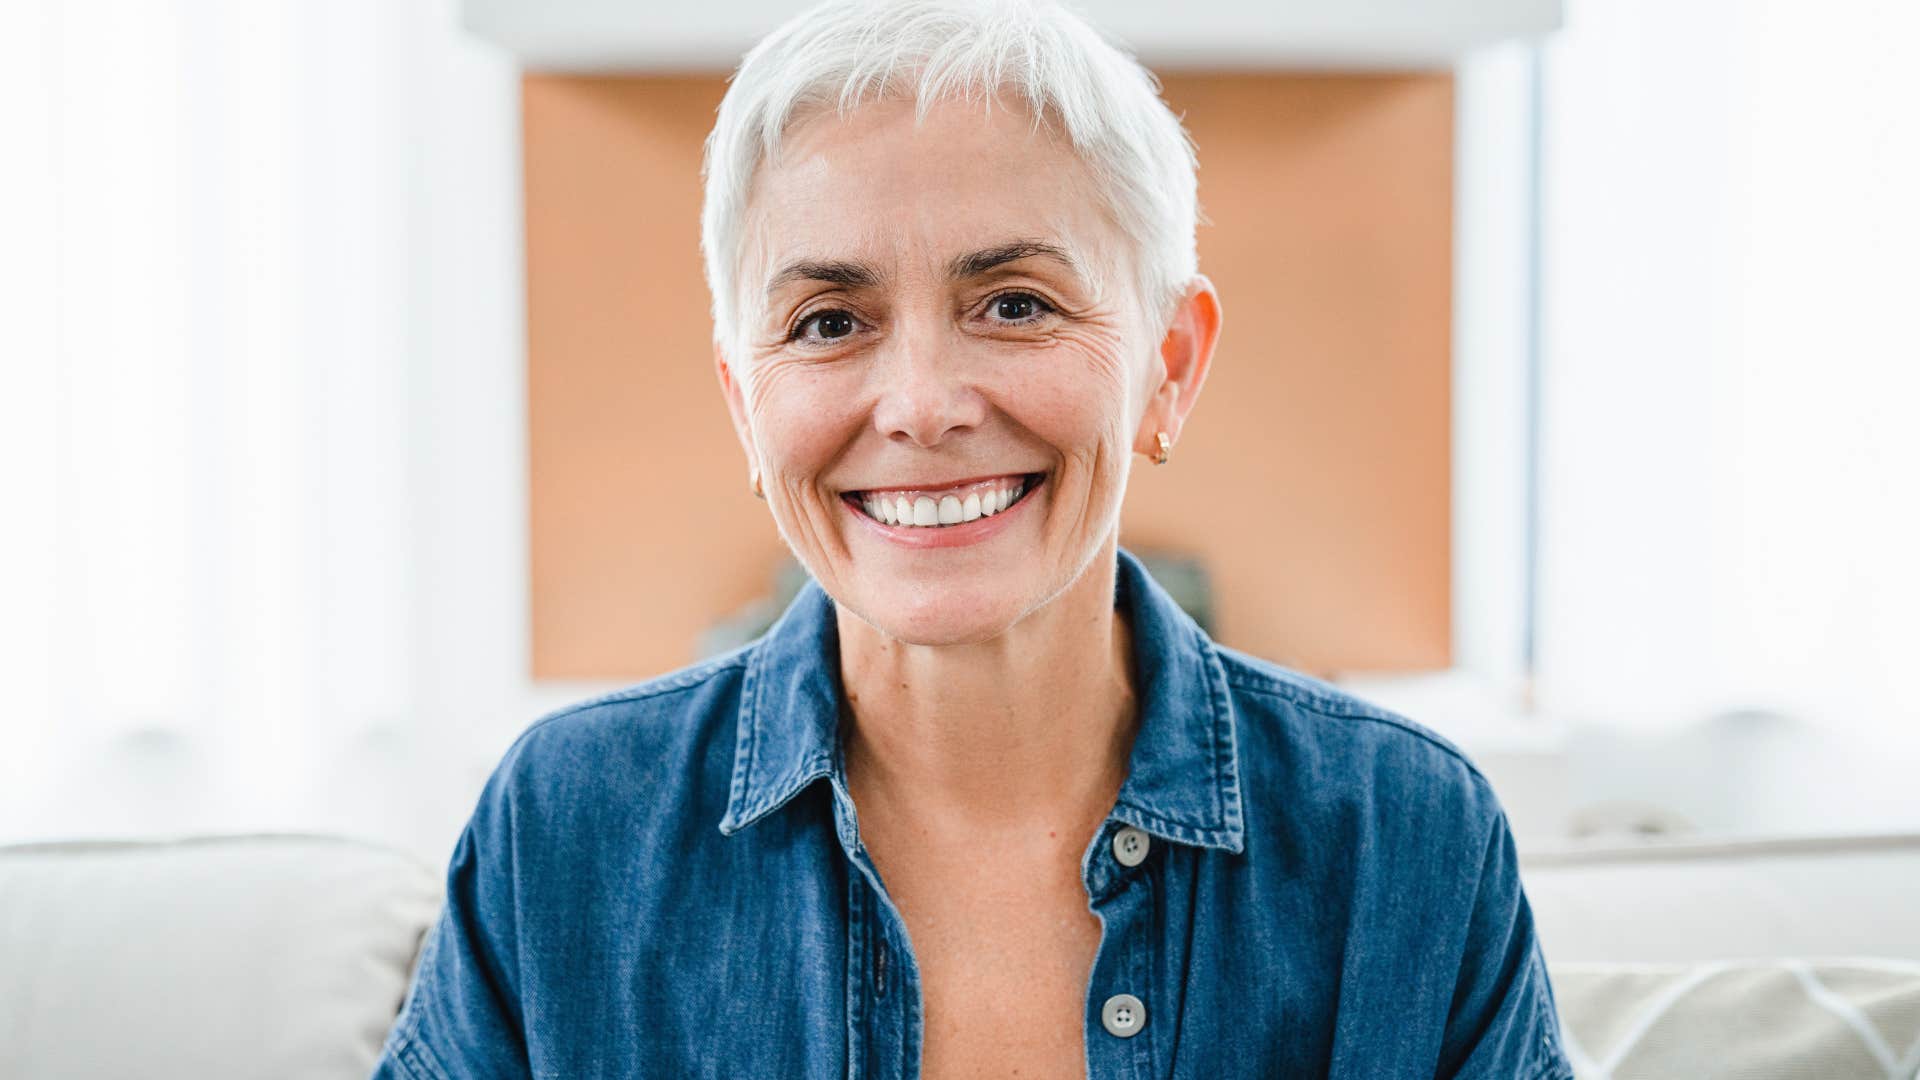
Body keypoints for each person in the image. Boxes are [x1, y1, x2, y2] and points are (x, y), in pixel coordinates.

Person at [373, 1, 1574, 1076]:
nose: (921, 405)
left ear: (1169, 364)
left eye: (1014, 304)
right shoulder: (565, 831)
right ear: (745, 403)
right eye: (829, 320)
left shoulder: (1406, 838)